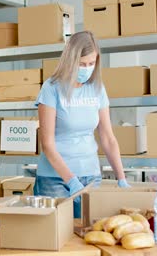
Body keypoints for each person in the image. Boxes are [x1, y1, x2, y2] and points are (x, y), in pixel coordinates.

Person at [35, 31, 130, 218]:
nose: (87, 69)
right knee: (57, 240)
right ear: (70, 60)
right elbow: (47, 144)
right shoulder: (51, 88)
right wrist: (70, 180)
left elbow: (108, 138)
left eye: (91, 64)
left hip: (90, 176)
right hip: (54, 180)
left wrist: (121, 178)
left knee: (88, 237)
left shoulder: (97, 88)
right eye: (82, 64)